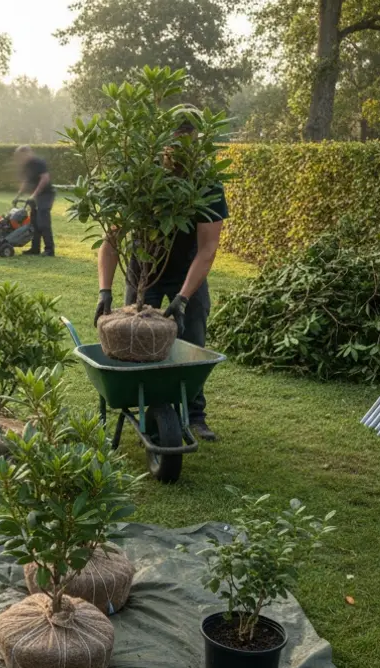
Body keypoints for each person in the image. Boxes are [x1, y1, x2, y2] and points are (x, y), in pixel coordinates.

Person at [92, 137, 228, 442]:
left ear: (198, 146)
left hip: (186, 271)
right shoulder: (141, 177)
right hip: (143, 272)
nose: (178, 152)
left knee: (193, 343)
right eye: (173, 144)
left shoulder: (207, 184)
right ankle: (144, 407)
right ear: (163, 144)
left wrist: (183, 297)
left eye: (188, 145)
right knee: (134, 342)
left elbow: (208, 248)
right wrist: (105, 291)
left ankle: (194, 415)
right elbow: (111, 241)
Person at [14, 145, 54, 256]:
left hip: (46, 195)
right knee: (34, 223)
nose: (20, 159)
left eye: (22, 156)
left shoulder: (39, 163)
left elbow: (45, 178)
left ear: (28, 153)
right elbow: (26, 181)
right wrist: (18, 195)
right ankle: (35, 249)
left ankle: (49, 250)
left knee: (43, 222)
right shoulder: (26, 166)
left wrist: (35, 194)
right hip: (34, 196)